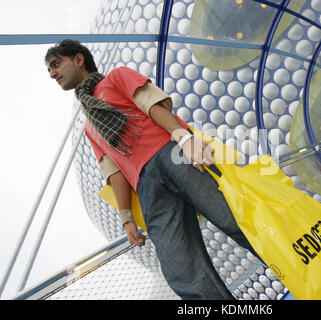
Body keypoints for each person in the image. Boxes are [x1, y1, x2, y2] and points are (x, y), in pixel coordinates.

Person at [45, 39, 261, 300]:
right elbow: (113, 172)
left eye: (56, 64)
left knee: (234, 217)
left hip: (172, 153)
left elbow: (152, 105)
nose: (52, 74)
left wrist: (183, 138)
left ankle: (299, 265)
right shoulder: (90, 126)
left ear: (78, 59)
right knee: (179, 266)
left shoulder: (116, 78)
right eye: (49, 70)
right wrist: (127, 218)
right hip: (146, 185)